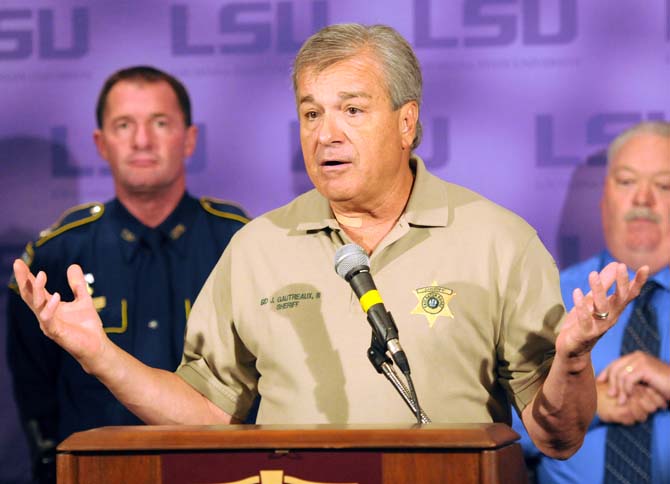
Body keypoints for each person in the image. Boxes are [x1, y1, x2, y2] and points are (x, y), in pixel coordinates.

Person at [12, 24, 648, 461]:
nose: (325, 134)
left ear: (407, 121)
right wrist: (100, 355)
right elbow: (208, 414)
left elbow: (558, 436)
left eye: (352, 109)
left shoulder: (498, 241)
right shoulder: (258, 246)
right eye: (311, 113)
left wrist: (569, 362)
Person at [6, 66, 249, 483]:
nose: (142, 141)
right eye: (124, 125)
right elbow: (37, 398)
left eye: (160, 123)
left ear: (189, 139)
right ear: (101, 144)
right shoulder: (57, 256)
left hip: (223, 474)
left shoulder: (241, 245)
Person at [514, 121, 670, 483]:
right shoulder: (550, 296)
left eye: (664, 185)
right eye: (627, 181)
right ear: (604, 198)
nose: (643, 200)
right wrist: (583, 404)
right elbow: (496, 432)